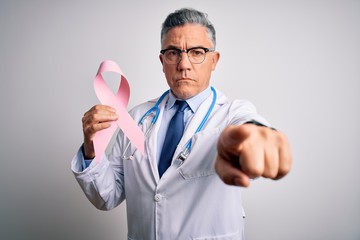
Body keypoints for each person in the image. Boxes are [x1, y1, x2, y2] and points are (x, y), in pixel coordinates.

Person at [72, 8, 292, 240]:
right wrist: (91, 146)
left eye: (197, 52)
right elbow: (107, 196)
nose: (184, 64)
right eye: (173, 53)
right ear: (162, 60)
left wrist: (256, 137)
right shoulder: (136, 118)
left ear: (214, 60)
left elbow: (248, 129)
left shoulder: (232, 113)